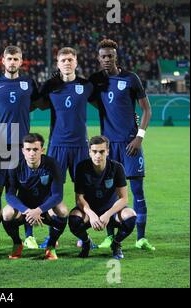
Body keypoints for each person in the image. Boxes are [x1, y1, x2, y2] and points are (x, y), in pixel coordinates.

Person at [89, 39, 155, 251]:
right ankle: (110, 236)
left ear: (116, 56)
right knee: (109, 192)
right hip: (108, 146)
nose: (107, 59)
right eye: (103, 56)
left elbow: (147, 109)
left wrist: (139, 137)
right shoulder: (96, 81)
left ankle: (141, 238)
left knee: (137, 190)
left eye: (110, 56)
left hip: (130, 144)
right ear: (98, 58)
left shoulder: (130, 78)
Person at [0, 45, 41, 249]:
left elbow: (43, 101)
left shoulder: (29, 83)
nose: (13, 62)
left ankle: (29, 235)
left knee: (24, 190)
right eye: (10, 59)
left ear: (21, 61)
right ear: (3, 60)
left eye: (16, 59)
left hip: (23, 147)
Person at [37, 47, 95, 249]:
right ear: (58, 64)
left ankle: (84, 235)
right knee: (53, 192)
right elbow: (35, 102)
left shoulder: (86, 85)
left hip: (80, 146)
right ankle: (54, 236)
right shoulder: (51, 86)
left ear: (76, 62)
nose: (67, 63)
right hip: (57, 146)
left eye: (70, 59)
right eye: (63, 60)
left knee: (84, 192)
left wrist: (132, 119)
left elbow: (106, 104)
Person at [68, 135, 137, 259]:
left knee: (130, 216)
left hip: (111, 212)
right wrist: (91, 214)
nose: (98, 155)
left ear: (107, 152)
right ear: (89, 152)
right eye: (94, 152)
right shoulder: (81, 167)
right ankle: (86, 243)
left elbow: (124, 198)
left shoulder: (117, 168)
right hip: (90, 212)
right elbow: (79, 198)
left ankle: (116, 244)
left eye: (101, 151)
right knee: (73, 219)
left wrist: (108, 214)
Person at [3, 133, 67, 260]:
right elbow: (10, 195)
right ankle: (17, 243)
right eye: (28, 149)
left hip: (45, 206)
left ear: (42, 150)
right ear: (23, 151)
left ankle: (51, 246)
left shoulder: (52, 164)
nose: (32, 153)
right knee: (6, 213)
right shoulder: (14, 165)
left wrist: (38, 210)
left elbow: (57, 195)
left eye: (35, 149)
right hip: (24, 207)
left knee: (63, 211)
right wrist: (26, 211)